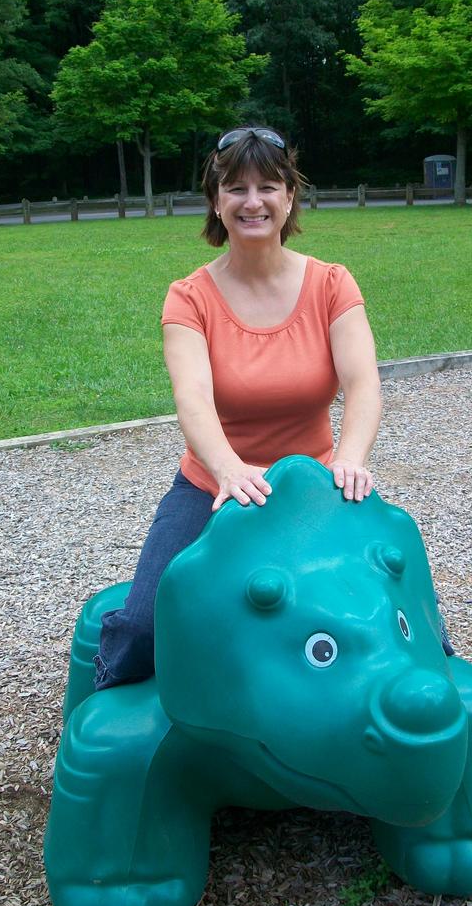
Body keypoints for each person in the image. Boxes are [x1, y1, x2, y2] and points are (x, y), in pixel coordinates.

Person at [94, 126, 383, 691]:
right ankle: (103, 706)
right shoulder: (190, 297)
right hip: (213, 484)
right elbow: (193, 398)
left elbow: (364, 383)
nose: (253, 202)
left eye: (268, 186)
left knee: (392, 616)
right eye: (237, 189)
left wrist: (349, 461)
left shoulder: (331, 283)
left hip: (315, 486)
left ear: (290, 197)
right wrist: (228, 468)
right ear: (216, 202)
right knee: (147, 625)